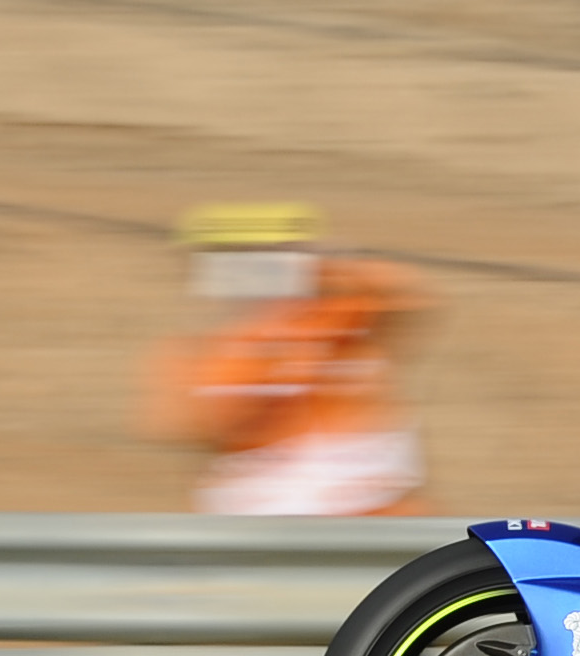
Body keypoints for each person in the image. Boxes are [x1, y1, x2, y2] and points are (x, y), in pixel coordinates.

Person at [149, 203, 431, 517]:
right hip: (271, 528)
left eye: (272, 261)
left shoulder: (338, 316)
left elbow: (407, 295)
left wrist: (333, 270)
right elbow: (183, 423)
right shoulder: (204, 355)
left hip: (370, 515)